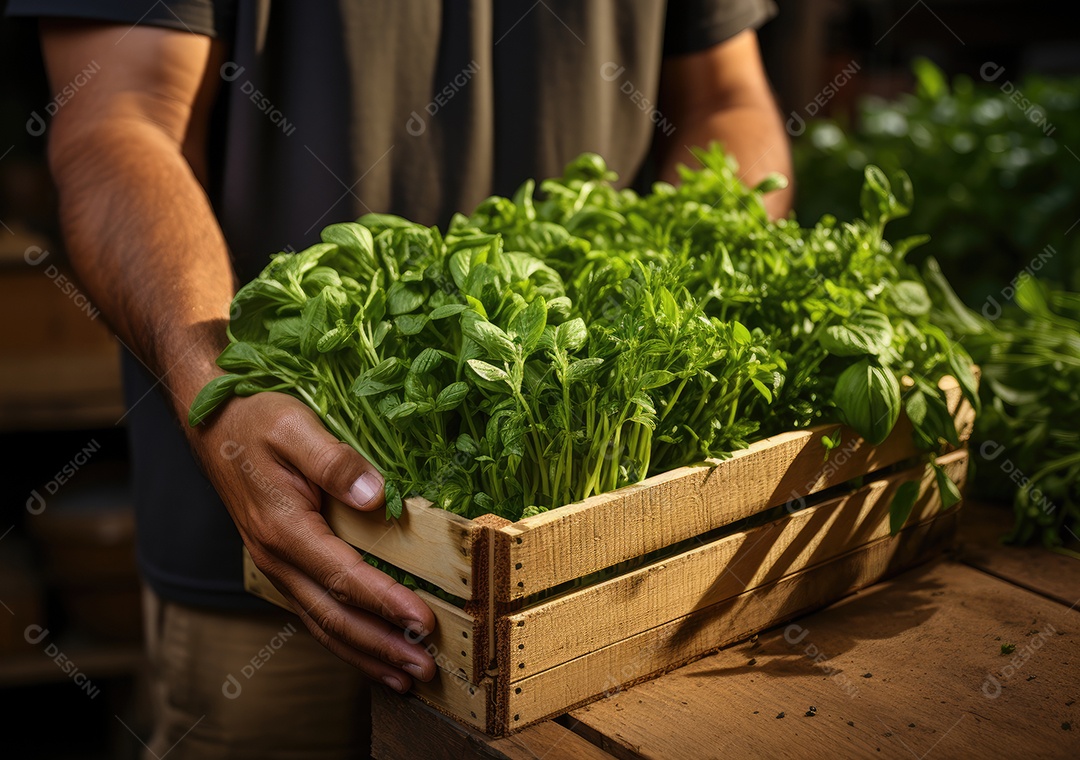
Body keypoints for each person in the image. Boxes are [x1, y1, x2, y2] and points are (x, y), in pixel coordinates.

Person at [10, 1, 792, 757]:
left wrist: (679, 330)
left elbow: (725, 98)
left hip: (596, 552)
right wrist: (222, 392)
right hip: (275, 555)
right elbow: (122, 116)